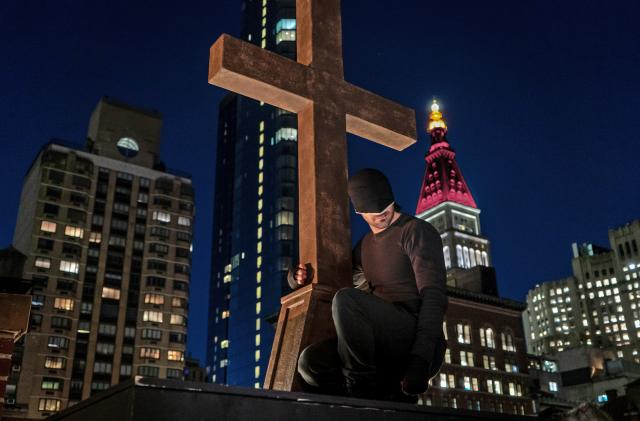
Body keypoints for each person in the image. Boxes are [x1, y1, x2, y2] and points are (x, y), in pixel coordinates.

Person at [289, 168, 448, 402]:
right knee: (310, 363)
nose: (383, 216)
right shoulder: (364, 247)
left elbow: (434, 296)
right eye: (375, 213)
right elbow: (334, 281)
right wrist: (297, 277)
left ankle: (361, 394)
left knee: (347, 299)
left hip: (412, 335)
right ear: (359, 211)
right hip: (378, 343)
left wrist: (420, 360)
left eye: (386, 209)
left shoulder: (415, 232)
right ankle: (383, 394)